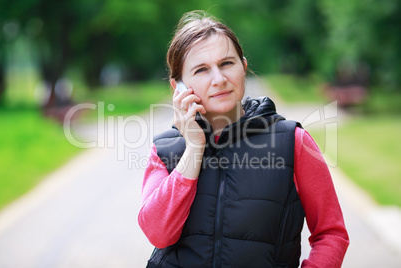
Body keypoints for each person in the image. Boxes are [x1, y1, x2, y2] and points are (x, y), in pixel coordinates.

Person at [138, 10, 349, 268]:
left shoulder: (292, 142)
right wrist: (194, 148)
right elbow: (158, 234)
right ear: (178, 87)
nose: (219, 79)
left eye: (227, 63)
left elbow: (331, 234)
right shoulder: (164, 150)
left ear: (244, 67)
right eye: (202, 70)